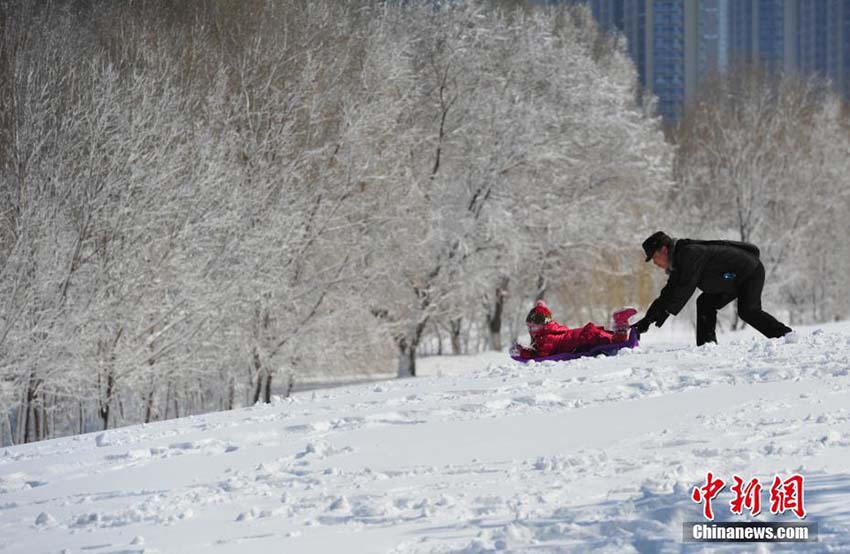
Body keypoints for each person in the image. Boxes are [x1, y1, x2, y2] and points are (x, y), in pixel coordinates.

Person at [635, 231, 792, 346]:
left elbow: (684, 288)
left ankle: (785, 335)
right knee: (705, 302)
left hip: (750, 272)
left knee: (748, 311)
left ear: (664, 250)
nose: (655, 263)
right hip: (731, 278)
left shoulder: (689, 254)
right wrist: (648, 319)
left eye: (654, 257)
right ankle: (707, 346)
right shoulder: (680, 260)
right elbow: (669, 292)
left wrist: (665, 311)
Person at [510, 301, 636, 359]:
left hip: (583, 339)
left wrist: (522, 352)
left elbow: (541, 355)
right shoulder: (553, 331)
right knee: (610, 338)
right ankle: (621, 322)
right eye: (529, 326)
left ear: (544, 325)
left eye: (534, 326)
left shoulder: (546, 338)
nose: (531, 330)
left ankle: (620, 321)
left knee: (615, 343)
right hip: (584, 334)